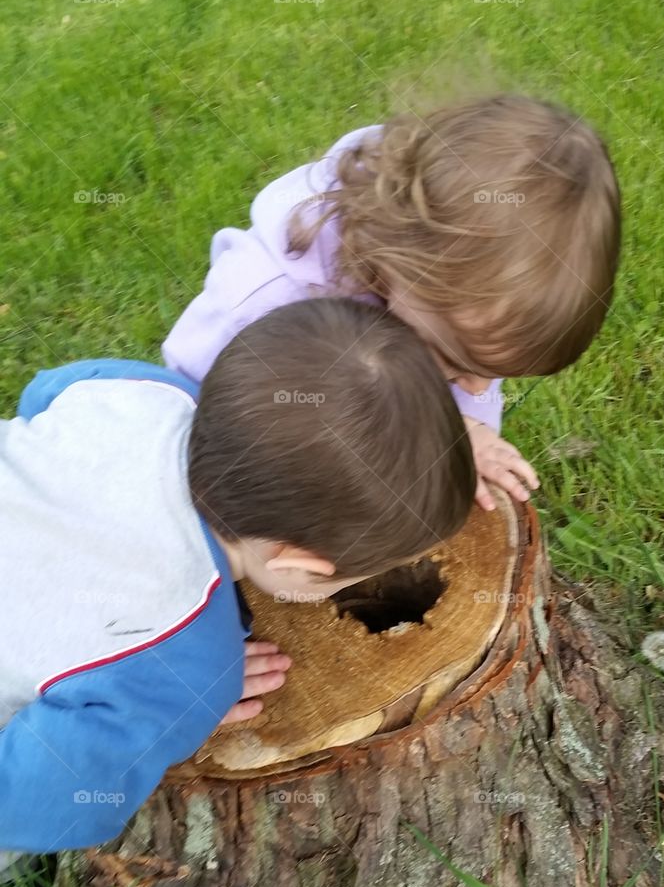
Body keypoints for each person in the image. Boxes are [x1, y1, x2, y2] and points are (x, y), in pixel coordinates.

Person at [0, 298, 475, 858]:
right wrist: (172, 710)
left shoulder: (143, 391)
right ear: (299, 566)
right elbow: (42, 806)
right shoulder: (179, 654)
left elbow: (46, 393)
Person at [163, 94, 621, 512]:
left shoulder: (453, 300)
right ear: (399, 260)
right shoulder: (260, 307)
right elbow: (189, 412)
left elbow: (461, 374)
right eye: (457, 364)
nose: (481, 388)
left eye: (490, 371)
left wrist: (464, 426)